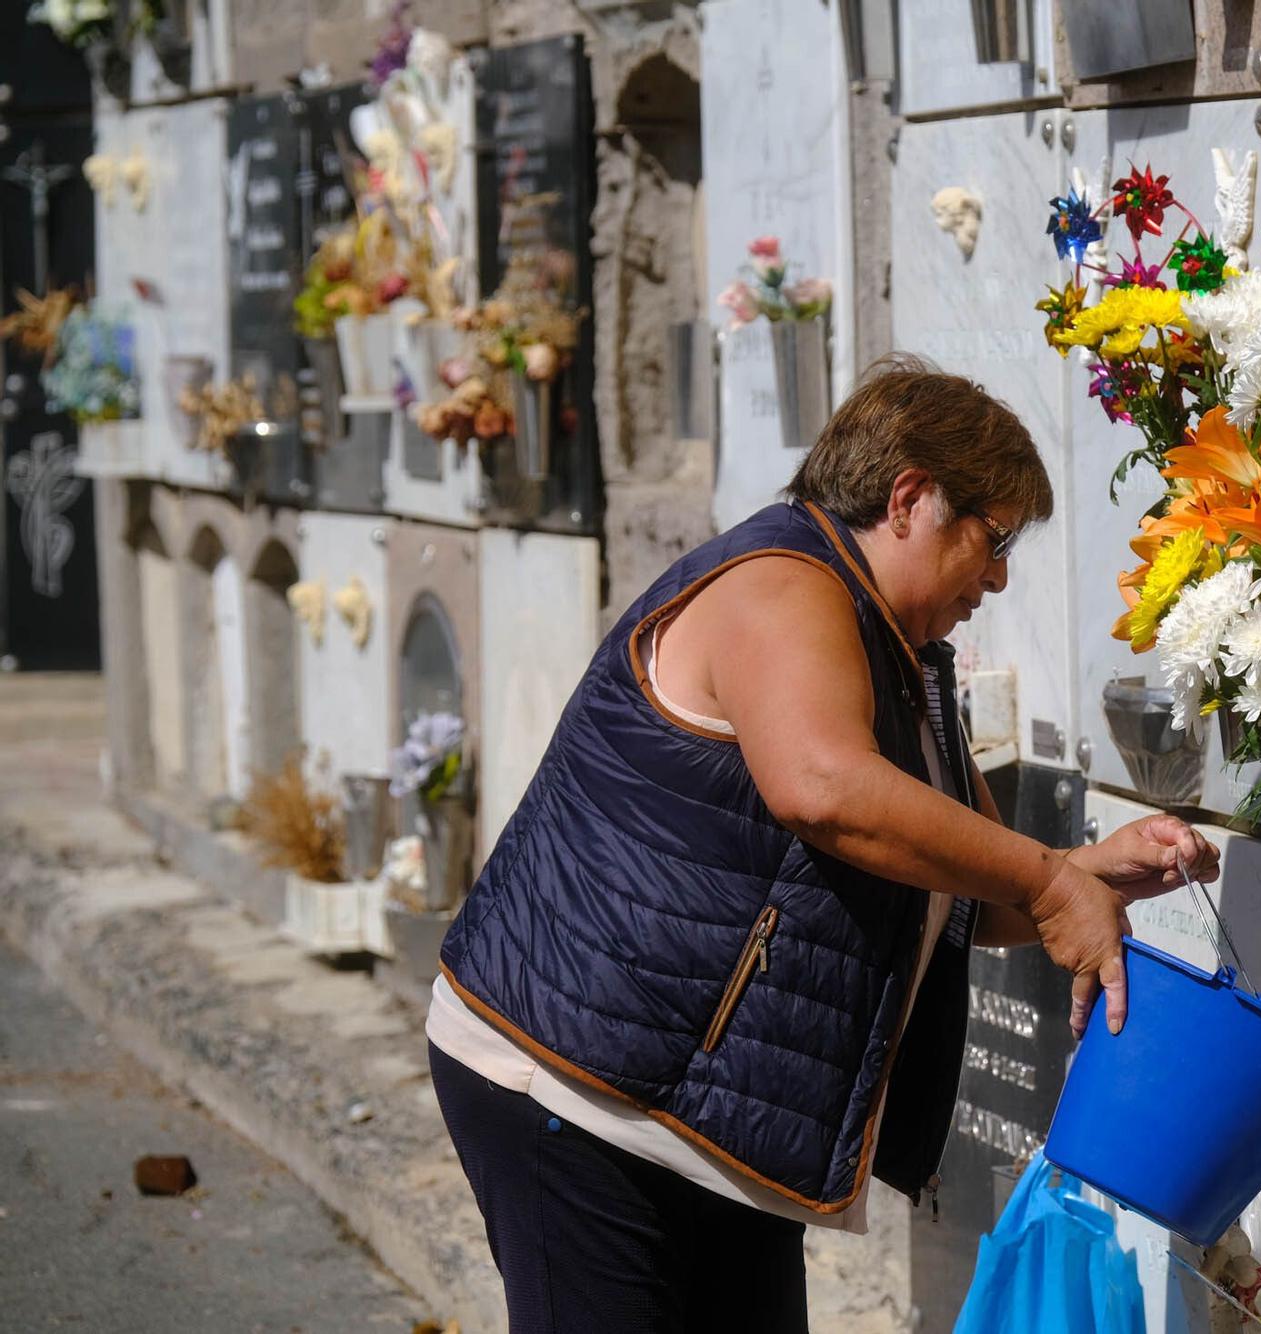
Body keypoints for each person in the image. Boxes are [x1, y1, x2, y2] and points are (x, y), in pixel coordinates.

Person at [427, 354, 1220, 1332]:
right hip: (575, 1083)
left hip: (714, 1116)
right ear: (910, 498)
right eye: (994, 536)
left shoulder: (905, 655)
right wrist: (1052, 879)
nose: (1001, 573)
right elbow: (822, 787)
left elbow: (958, 883)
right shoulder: (778, 582)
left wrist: (1092, 873)